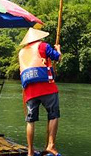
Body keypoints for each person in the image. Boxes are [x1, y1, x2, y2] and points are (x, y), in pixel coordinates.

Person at [19, 28, 62, 156]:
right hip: (46, 86)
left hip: (29, 89)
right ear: (38, 38)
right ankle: (51, 146)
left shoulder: (21, 52)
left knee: (30, 120)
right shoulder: (43, 46)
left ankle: (30, 151)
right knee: (53, 114)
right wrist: (58, 49)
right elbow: (57, 57)